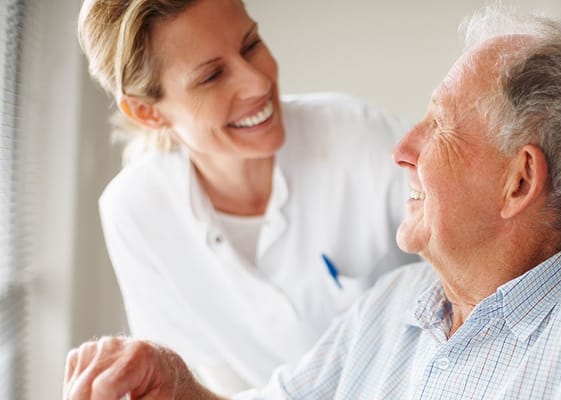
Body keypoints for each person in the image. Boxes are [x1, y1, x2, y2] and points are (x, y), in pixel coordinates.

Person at [65, 6, 561, 400]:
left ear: (519, 181)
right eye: (211, 73)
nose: (402, 147)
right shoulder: (395, 306)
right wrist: (176, 383)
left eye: (437, 125)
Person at [77, 0, 417, 394]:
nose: (258, 82)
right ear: (146, 112)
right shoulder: (135, 211)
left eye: (251, 44)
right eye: (212, 76)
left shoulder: (358, 136)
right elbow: (190, 388)